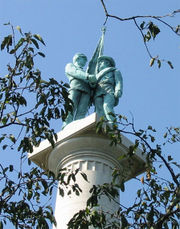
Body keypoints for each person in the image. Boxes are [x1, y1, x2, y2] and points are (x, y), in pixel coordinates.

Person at [62, 53, 96, 128]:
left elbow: (90, 83)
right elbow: (74, 72)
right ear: (78, 58)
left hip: (86, 91)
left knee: (82, 111)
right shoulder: (70, 66)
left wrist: (92, 82)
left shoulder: (85, 72)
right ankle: (66, 124)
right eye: (84, 59)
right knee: (71, 107)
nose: (85, 62)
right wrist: (87, 76)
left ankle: (79, 126)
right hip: (75, 88)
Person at [94, 55, 123, 123]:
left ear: (107, 63)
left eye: (102, 62)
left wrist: (118, 90)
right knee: (99, 109)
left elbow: (119, 82)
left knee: (107, 106)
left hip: (109, 90)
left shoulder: (114, 71)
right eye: (99, 63)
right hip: (98, 91)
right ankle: (101, 123)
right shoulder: (97, 75)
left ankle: (112, 123)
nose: (100, 64)